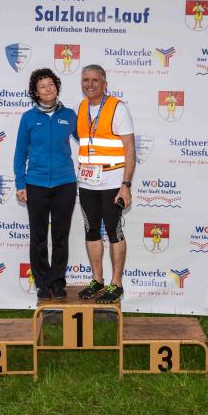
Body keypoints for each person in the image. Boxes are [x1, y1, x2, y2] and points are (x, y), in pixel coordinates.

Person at [13, 68, 78, 301]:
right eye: (42, 86)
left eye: (51, 84)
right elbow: (20, 154)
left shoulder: (70, 115)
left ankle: (58, 282)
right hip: (36, 184)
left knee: (60, 235)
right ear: (36, 92)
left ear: (57, 87)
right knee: (38, 236)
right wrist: (20, 183)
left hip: (65, 183)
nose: (48, 89)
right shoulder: (28, 118)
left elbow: (87, 140)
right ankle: (42, 283)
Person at [76, 64, 136, 304]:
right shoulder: (81, 107)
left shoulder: (117, 108)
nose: (89, 84)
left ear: (104, 83)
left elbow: (130, 149)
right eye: (85, 80)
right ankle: (97, 280)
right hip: (87, 182)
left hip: (113, 181)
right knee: (91, 230)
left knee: (114, 231)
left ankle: (116, 284)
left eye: (95, 80)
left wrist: (126, 185)